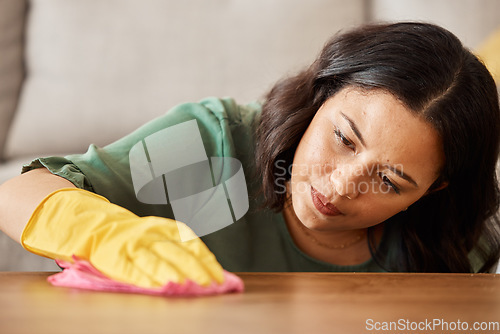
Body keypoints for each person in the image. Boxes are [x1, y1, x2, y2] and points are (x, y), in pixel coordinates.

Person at [0, 22, 499, 288]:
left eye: (390, 182)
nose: (343, 185)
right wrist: (109, 236)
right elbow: (17, 192)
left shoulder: (455, 240)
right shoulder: (216, 144)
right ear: (321, 94)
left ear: (434, 190)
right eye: (344, 139)